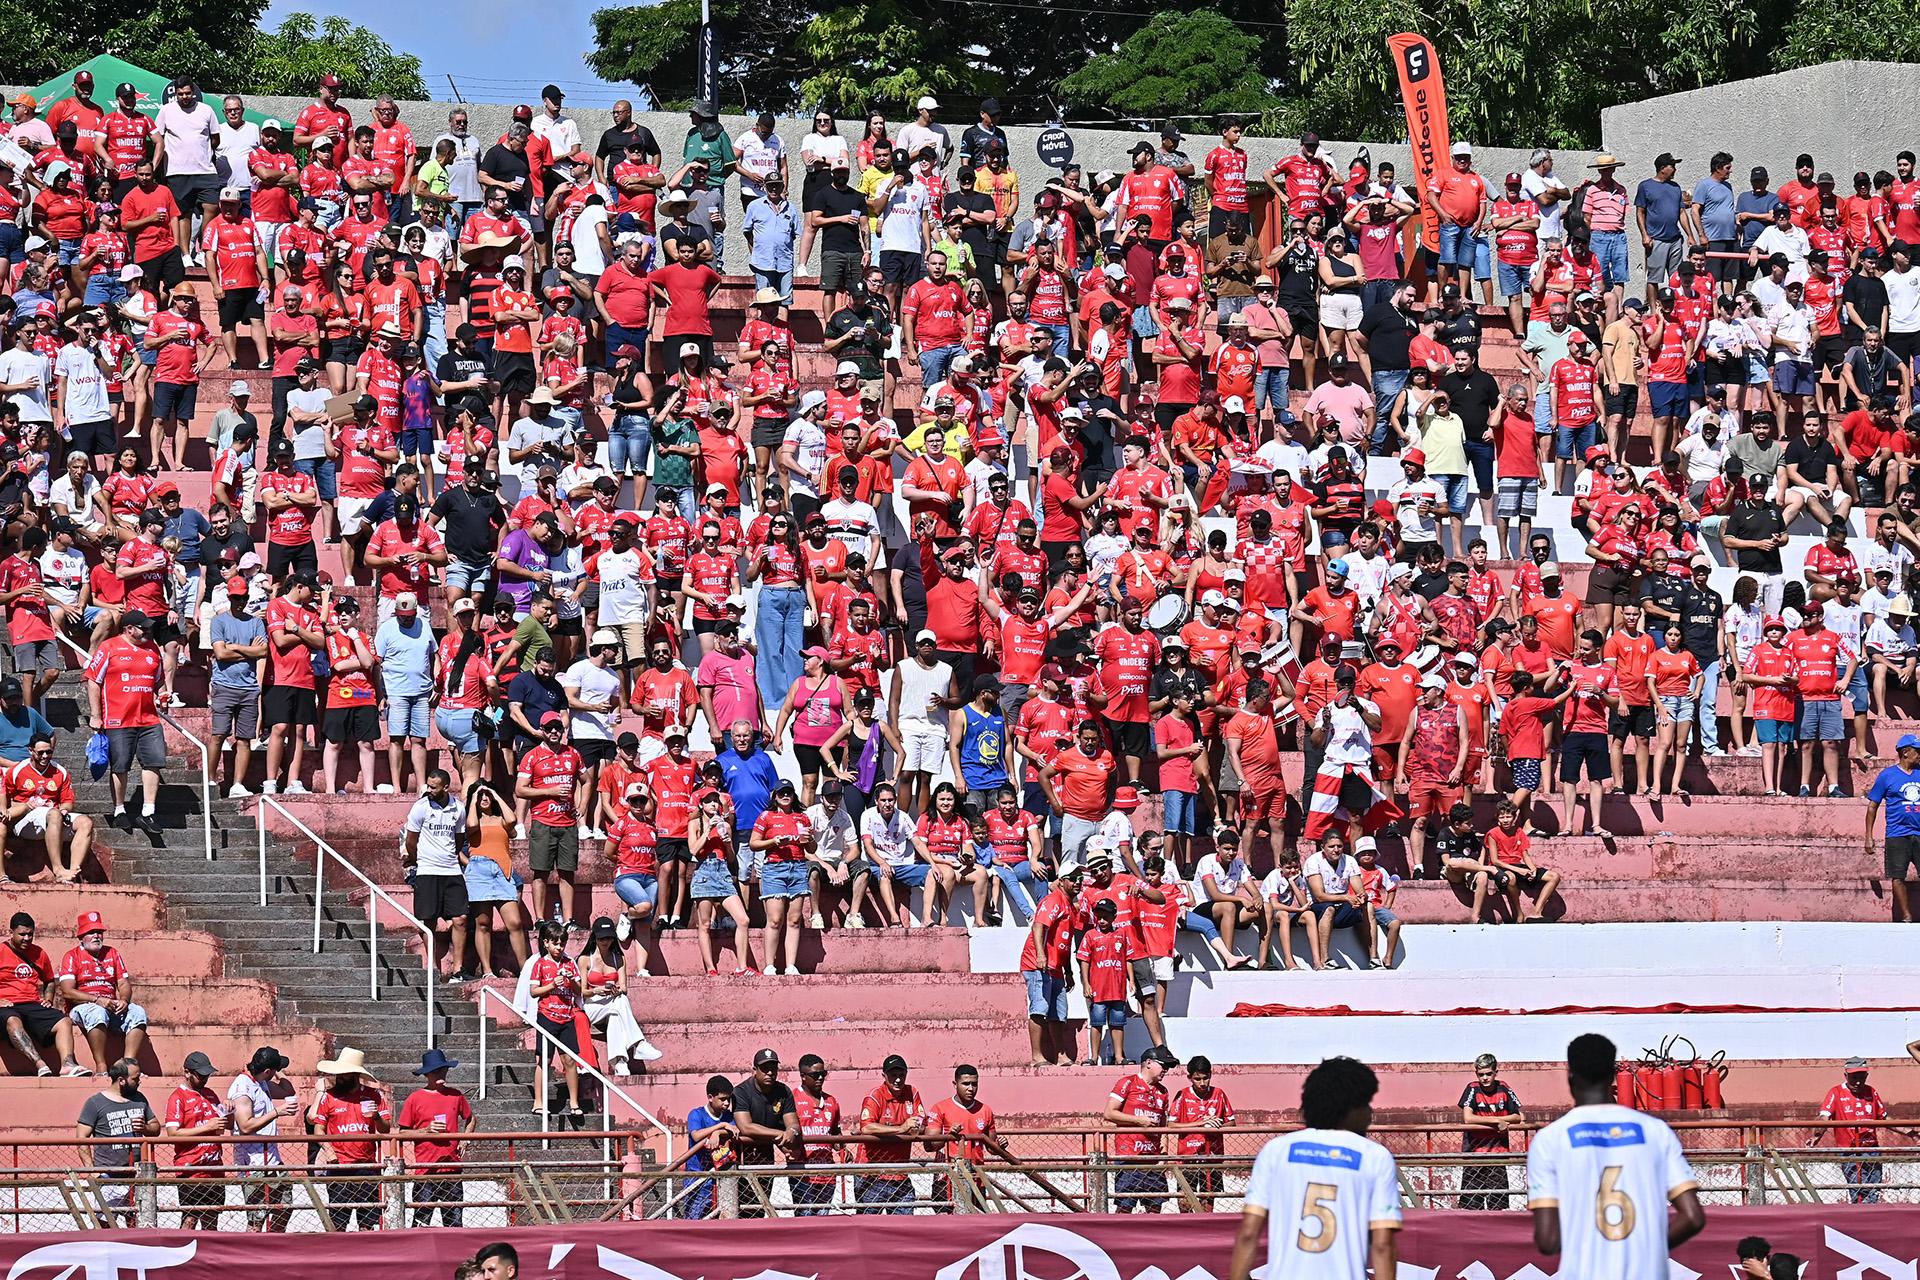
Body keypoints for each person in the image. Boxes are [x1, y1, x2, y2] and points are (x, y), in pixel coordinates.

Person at [1528, 1034, 1706, 1276]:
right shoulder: (1655, 1131)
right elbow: (1693, 1217)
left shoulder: (1549, 1140)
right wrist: (1647, 1250)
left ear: (1570, 1077)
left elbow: (1547, 1241)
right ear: (1612, 1077)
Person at [1227, 1056, 1401, 1280]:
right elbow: (1383, 1245)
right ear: (1349, 1108)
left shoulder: (1276, 1150)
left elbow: (1249, 1234)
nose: (1370, 1114)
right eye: (1366, 1104)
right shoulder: (1374, 1157)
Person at [306, 1045, 393, 1231]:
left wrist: (376, 1116)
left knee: (368, 1224)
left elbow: (386, 1129)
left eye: (343, 1073)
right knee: (338, 1223)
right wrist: (329, 1151)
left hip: (367, 1166)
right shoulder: (328, 1097)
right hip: (339, 1167)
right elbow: (318, 1130)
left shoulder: (373, 1095)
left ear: (354, 1074)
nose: (339, 1077)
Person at [57, 910, 147, 1074]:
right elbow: (67, 992)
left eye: (99, 932)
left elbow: (123, 983)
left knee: (138, 1012)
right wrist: (97, 1000)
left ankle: (128, 1065)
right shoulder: (71, 956)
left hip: (110, 1005)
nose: (96, 936)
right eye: (91, 932)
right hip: (83, 1007)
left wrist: (124, 1000)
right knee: (97, 1012)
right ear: (81, 937)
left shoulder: (112, 953)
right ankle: (101, 1066)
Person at [74, 1057, 160, 1225]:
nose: (139, 1082)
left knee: (137, 1224)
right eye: (135, 1079)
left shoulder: (139, 1098)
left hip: (136, 1175)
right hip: (108, 1175)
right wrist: (91, 1171)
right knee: (105, 1225)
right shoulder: (95, 1103)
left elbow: (155, 1128)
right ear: (121, 1080)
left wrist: (144, 1128)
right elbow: (81, 1137)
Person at [3, 912, 86, 1077]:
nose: (27, 938)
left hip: (31, 1004)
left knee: (63, 1021)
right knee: (12, 1020)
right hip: (7, 1006)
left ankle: (68, 1065)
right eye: (22, 934)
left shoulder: (39, 953)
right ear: (10, 933)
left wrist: (48, 998)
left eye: (30, 934)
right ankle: (40, 1064)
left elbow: (49, 980)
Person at [729, 1046, 799, 1217]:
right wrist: (780, 1134)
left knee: (760, 1209)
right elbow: (746, 1127)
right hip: (740, 1158)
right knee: (740, 1208)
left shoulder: (783, 1091)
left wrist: (791, 1132)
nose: (769, 1072)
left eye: (773, 1068)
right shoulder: (741, 1091)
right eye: (765, 1068)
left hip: (766, 1157)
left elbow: (793, 1123)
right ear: (755, 1070)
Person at [163, 1049, 230, 1229]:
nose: (205, 1079)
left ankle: (211, 1255)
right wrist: (207, 1127)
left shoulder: (210, 1094)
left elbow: (222, 1128)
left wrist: (229, 1111)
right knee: (190, 1219)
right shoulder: (177, 1098)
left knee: (212, 1220)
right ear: (187, 1073)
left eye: (207, 1076)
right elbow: (173, 1133)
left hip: (215, 1168)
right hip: (191, 1169)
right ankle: (184, 1253)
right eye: (201, 1076)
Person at [1458, 1053, 1525, 1209]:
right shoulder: (1472, 1089)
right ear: (1476, 1074)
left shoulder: (1504, 1088)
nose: (1485, 1078)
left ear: (1496, 1072)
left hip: (1498, 1154)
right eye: (1481, 1074)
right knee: (1472, 1204)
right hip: (1474, 1154)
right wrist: (1497, 1121)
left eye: (1489, 1074)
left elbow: (1519, 1116)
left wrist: (1504, 1120)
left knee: (1498, 1203)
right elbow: (1468, 1118)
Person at [1866, 732, 1920, 922]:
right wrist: (1869, 836)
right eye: (1917, 751)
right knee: (1897, 876)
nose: (1919, 755)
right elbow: (1873, 806)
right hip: (1897, 834)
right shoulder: (1887, 775)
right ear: (1906, 752)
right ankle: (1906, 915)